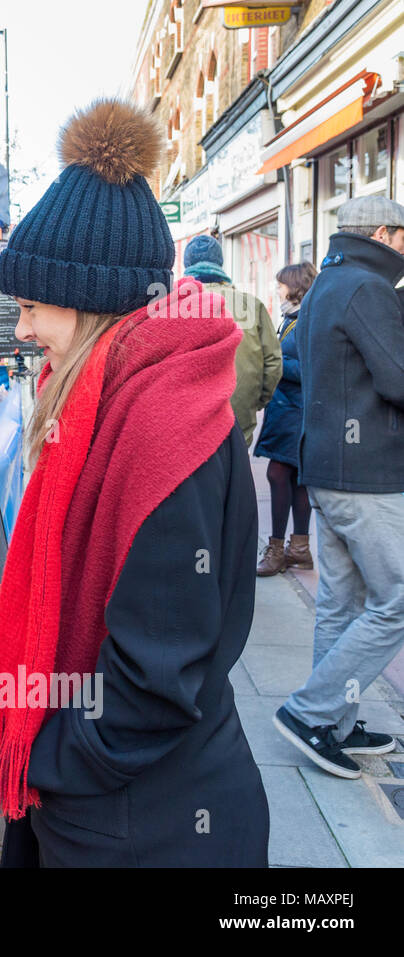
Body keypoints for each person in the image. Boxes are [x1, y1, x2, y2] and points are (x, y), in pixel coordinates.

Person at [0, 98, 268, 866]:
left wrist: (43, 755)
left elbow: (152, 678)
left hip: (149, 824)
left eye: (34, 306)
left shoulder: (162, 428)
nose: (23, 328)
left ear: (93, 300)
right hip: (132, 805)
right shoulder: (123, 393)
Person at [273, 195, 404, 779]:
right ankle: (310, 712)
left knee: (341, 605)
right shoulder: (371, 289)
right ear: (383, 233)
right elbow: (398, 380)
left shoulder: (327, 283)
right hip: (367, 473)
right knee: (397, 601)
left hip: (324, 468)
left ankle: (335, 724)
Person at [182, 233, 282, 447]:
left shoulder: (171, 305)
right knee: (235, 475)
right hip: (239, 415)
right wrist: (256, 401)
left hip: (187, 419)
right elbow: (273, 363)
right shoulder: (251, 305)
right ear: (220, 263)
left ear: (187, 264)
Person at [253, 262, 317, 576]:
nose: (277, 290)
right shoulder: (294, 316)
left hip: (297, 411)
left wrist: (275, 365)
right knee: (294, 478)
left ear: (294, 286)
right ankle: (299, 550)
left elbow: (311, 370)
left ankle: (278, 550)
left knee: (280, 476)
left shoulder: (306, 319)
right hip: (291, 410)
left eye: (281, 285)